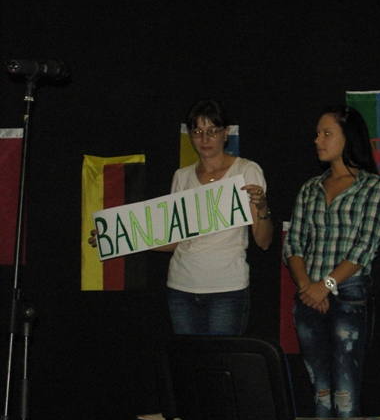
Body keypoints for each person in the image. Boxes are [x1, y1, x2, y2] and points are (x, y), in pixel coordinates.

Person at [89, 99, 273, 335]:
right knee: (189, 358)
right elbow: (174, 238)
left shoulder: (246, 170)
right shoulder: (182, 176)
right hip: (180, 287)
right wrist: (117, 236)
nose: (204, 139)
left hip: (227, 289)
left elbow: (264, 242)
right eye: (197, 132)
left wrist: (262, 207)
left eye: (212, 131)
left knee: (221, 357)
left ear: (226, 132)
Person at [283, 105, 380, 420]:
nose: (318, 140)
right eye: (317, 133)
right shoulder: (310, 188)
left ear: (349, 137)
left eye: (327, 133)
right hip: (308, 296)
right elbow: (293, 243)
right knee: (320, 393)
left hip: (350, 295)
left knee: (345, 396)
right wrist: (309, 288)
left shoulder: (371, 186)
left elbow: (364, 247)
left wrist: (325, 286)